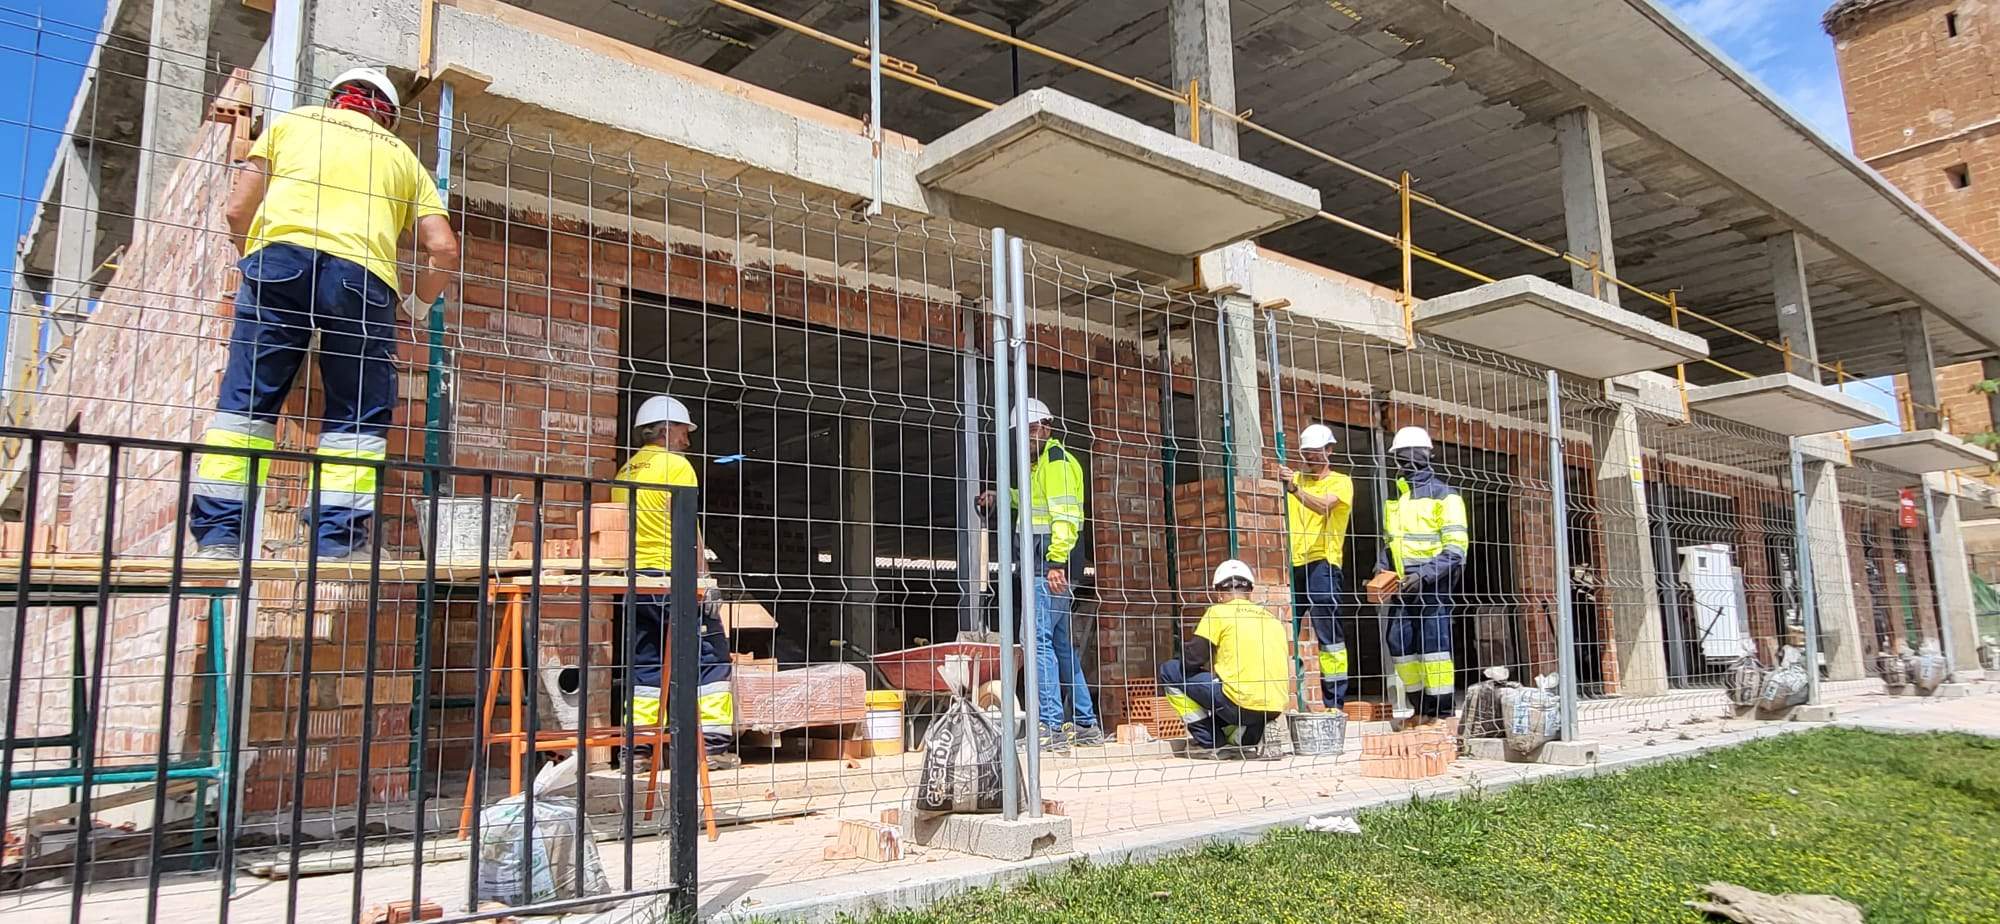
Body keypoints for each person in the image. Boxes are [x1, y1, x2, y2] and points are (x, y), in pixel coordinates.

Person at [190, 67, 459, 560]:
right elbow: (442, 248)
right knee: (358, 414)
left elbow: (236, 209)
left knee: (247, 400)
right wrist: (418, 306)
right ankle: (336, 542)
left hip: (279, 260)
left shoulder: (293, 124)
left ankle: (220, 536)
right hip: (362, 279)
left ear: (336, 99)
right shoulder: (400, 156)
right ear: (389, 118)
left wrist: (253, 258)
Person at [615, 395, 737, 771]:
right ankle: (714, 747)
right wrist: (705, 577)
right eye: (684, 431)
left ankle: (637, 750)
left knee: (645, 666)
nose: (687, 439)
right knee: (710, 658)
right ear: (666, 430)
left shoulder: (625, 472)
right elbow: (685, 525)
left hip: (633, 583)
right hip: (672, 579)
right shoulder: (677, 466)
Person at [978, 397, 1103, 752]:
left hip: (1048, 568)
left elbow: (1064, 520)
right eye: (1023, 433)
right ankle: (1084, 723)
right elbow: (1035, 502)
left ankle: (1049, 727)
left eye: (1031, 432)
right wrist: (1001, 496)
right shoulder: (1040, 467)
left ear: (1044, 429)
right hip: (1050, 566)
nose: (1027, 439)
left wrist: (1054, 564)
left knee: (1037, 643)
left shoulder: (1056, 464)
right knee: (1060, 645)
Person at [1373, 426, 1469, 723]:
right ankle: (1418, 707)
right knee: (1399, 643)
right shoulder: (1397, 499)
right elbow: (1392, 542)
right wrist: (1381, 567)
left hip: (1433, 586)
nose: (1406, 460)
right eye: (1401, 456)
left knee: (1434, 650)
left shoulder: (1446, 496)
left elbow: (1456, 550)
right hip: (1403, 585)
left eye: (1412, 454)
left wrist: (1425, 575)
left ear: (1428, 455)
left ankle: (1440, 713)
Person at [1157, 560, 1290, 760]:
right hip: (1273, 707)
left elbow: (1192, 659)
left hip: (1237, 704)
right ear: (1250, 591)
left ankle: (1213, 743)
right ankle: (1248, 737)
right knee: (1227, 689)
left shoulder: (1218, 612)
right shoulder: (1271, 619)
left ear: (1219, 593)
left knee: (1170, 671)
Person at [1281, 424, 1353, 709]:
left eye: (1315, 453)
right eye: (1306, 454)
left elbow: (1324, 506)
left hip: (1324, 564)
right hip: (1296, 564)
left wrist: (1295, 488)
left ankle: (1334, 703)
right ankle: (1293, 698)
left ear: (1329, 451)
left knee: (1329, 638)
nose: (1310, 459)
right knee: (1288, 632)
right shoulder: (1297, 478)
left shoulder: (1340, 482)